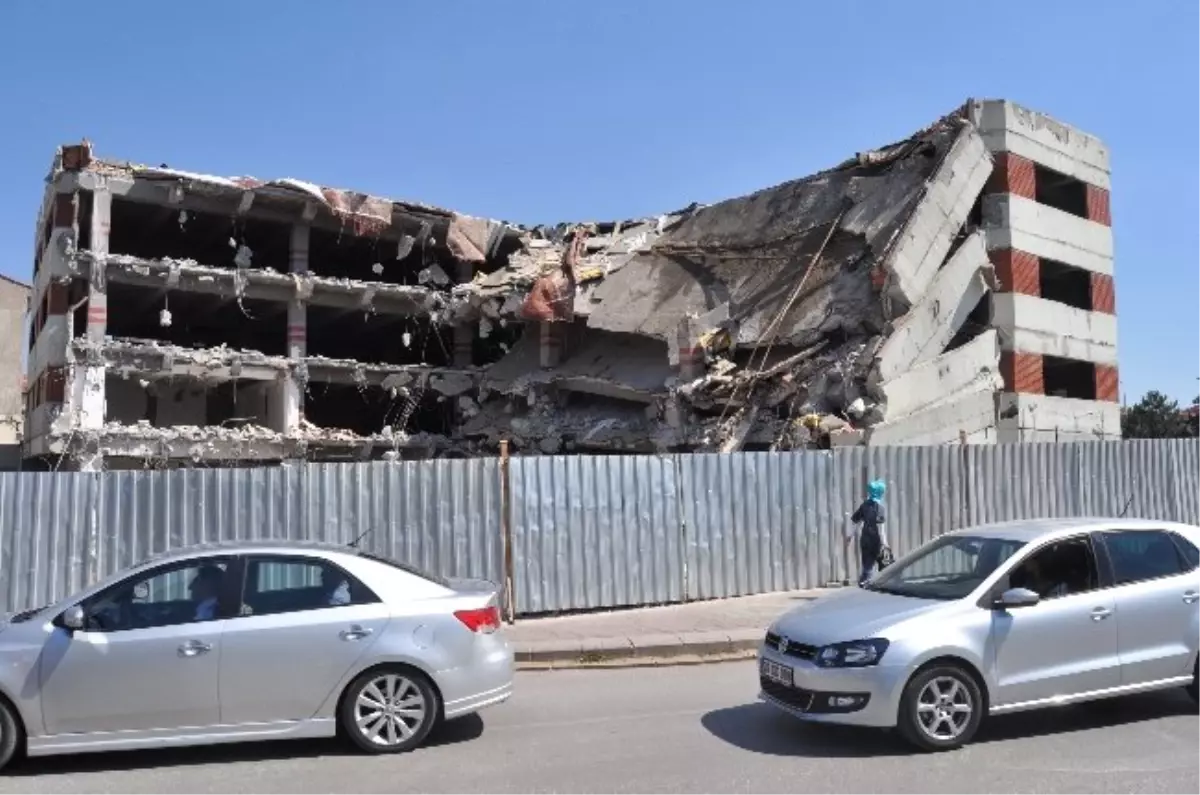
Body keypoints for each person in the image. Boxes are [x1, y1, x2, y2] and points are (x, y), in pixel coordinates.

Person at [849, 480, 890, 586]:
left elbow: (856, 521)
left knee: (867, 565)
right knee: (883, 565)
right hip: (876, 540)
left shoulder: (865, 505)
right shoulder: (879, 508)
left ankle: (863, 582)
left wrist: (850, 536)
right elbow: (881, 527)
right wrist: (885, 543)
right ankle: (879, 585)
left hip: (865, 539)